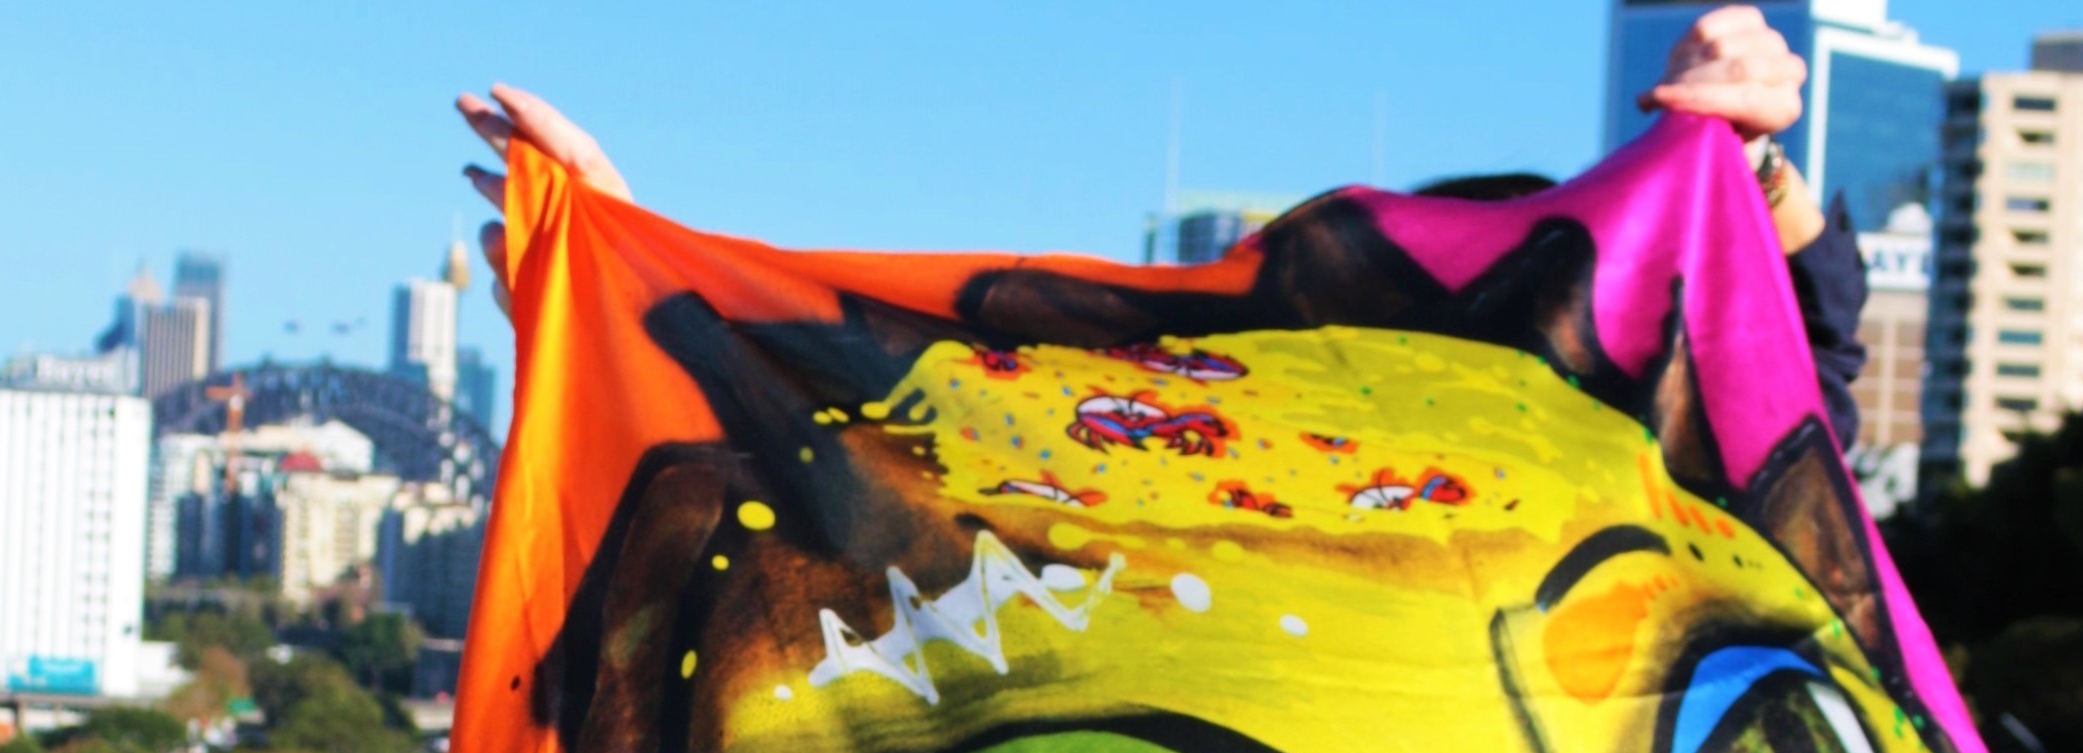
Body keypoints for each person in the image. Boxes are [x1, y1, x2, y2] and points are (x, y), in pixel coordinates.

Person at [459, 5, 1872, 448]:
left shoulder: (1648, 506)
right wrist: (629, 284)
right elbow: (943, 433)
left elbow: (1798, 399)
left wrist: (1763, 197)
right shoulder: (1261, 493)